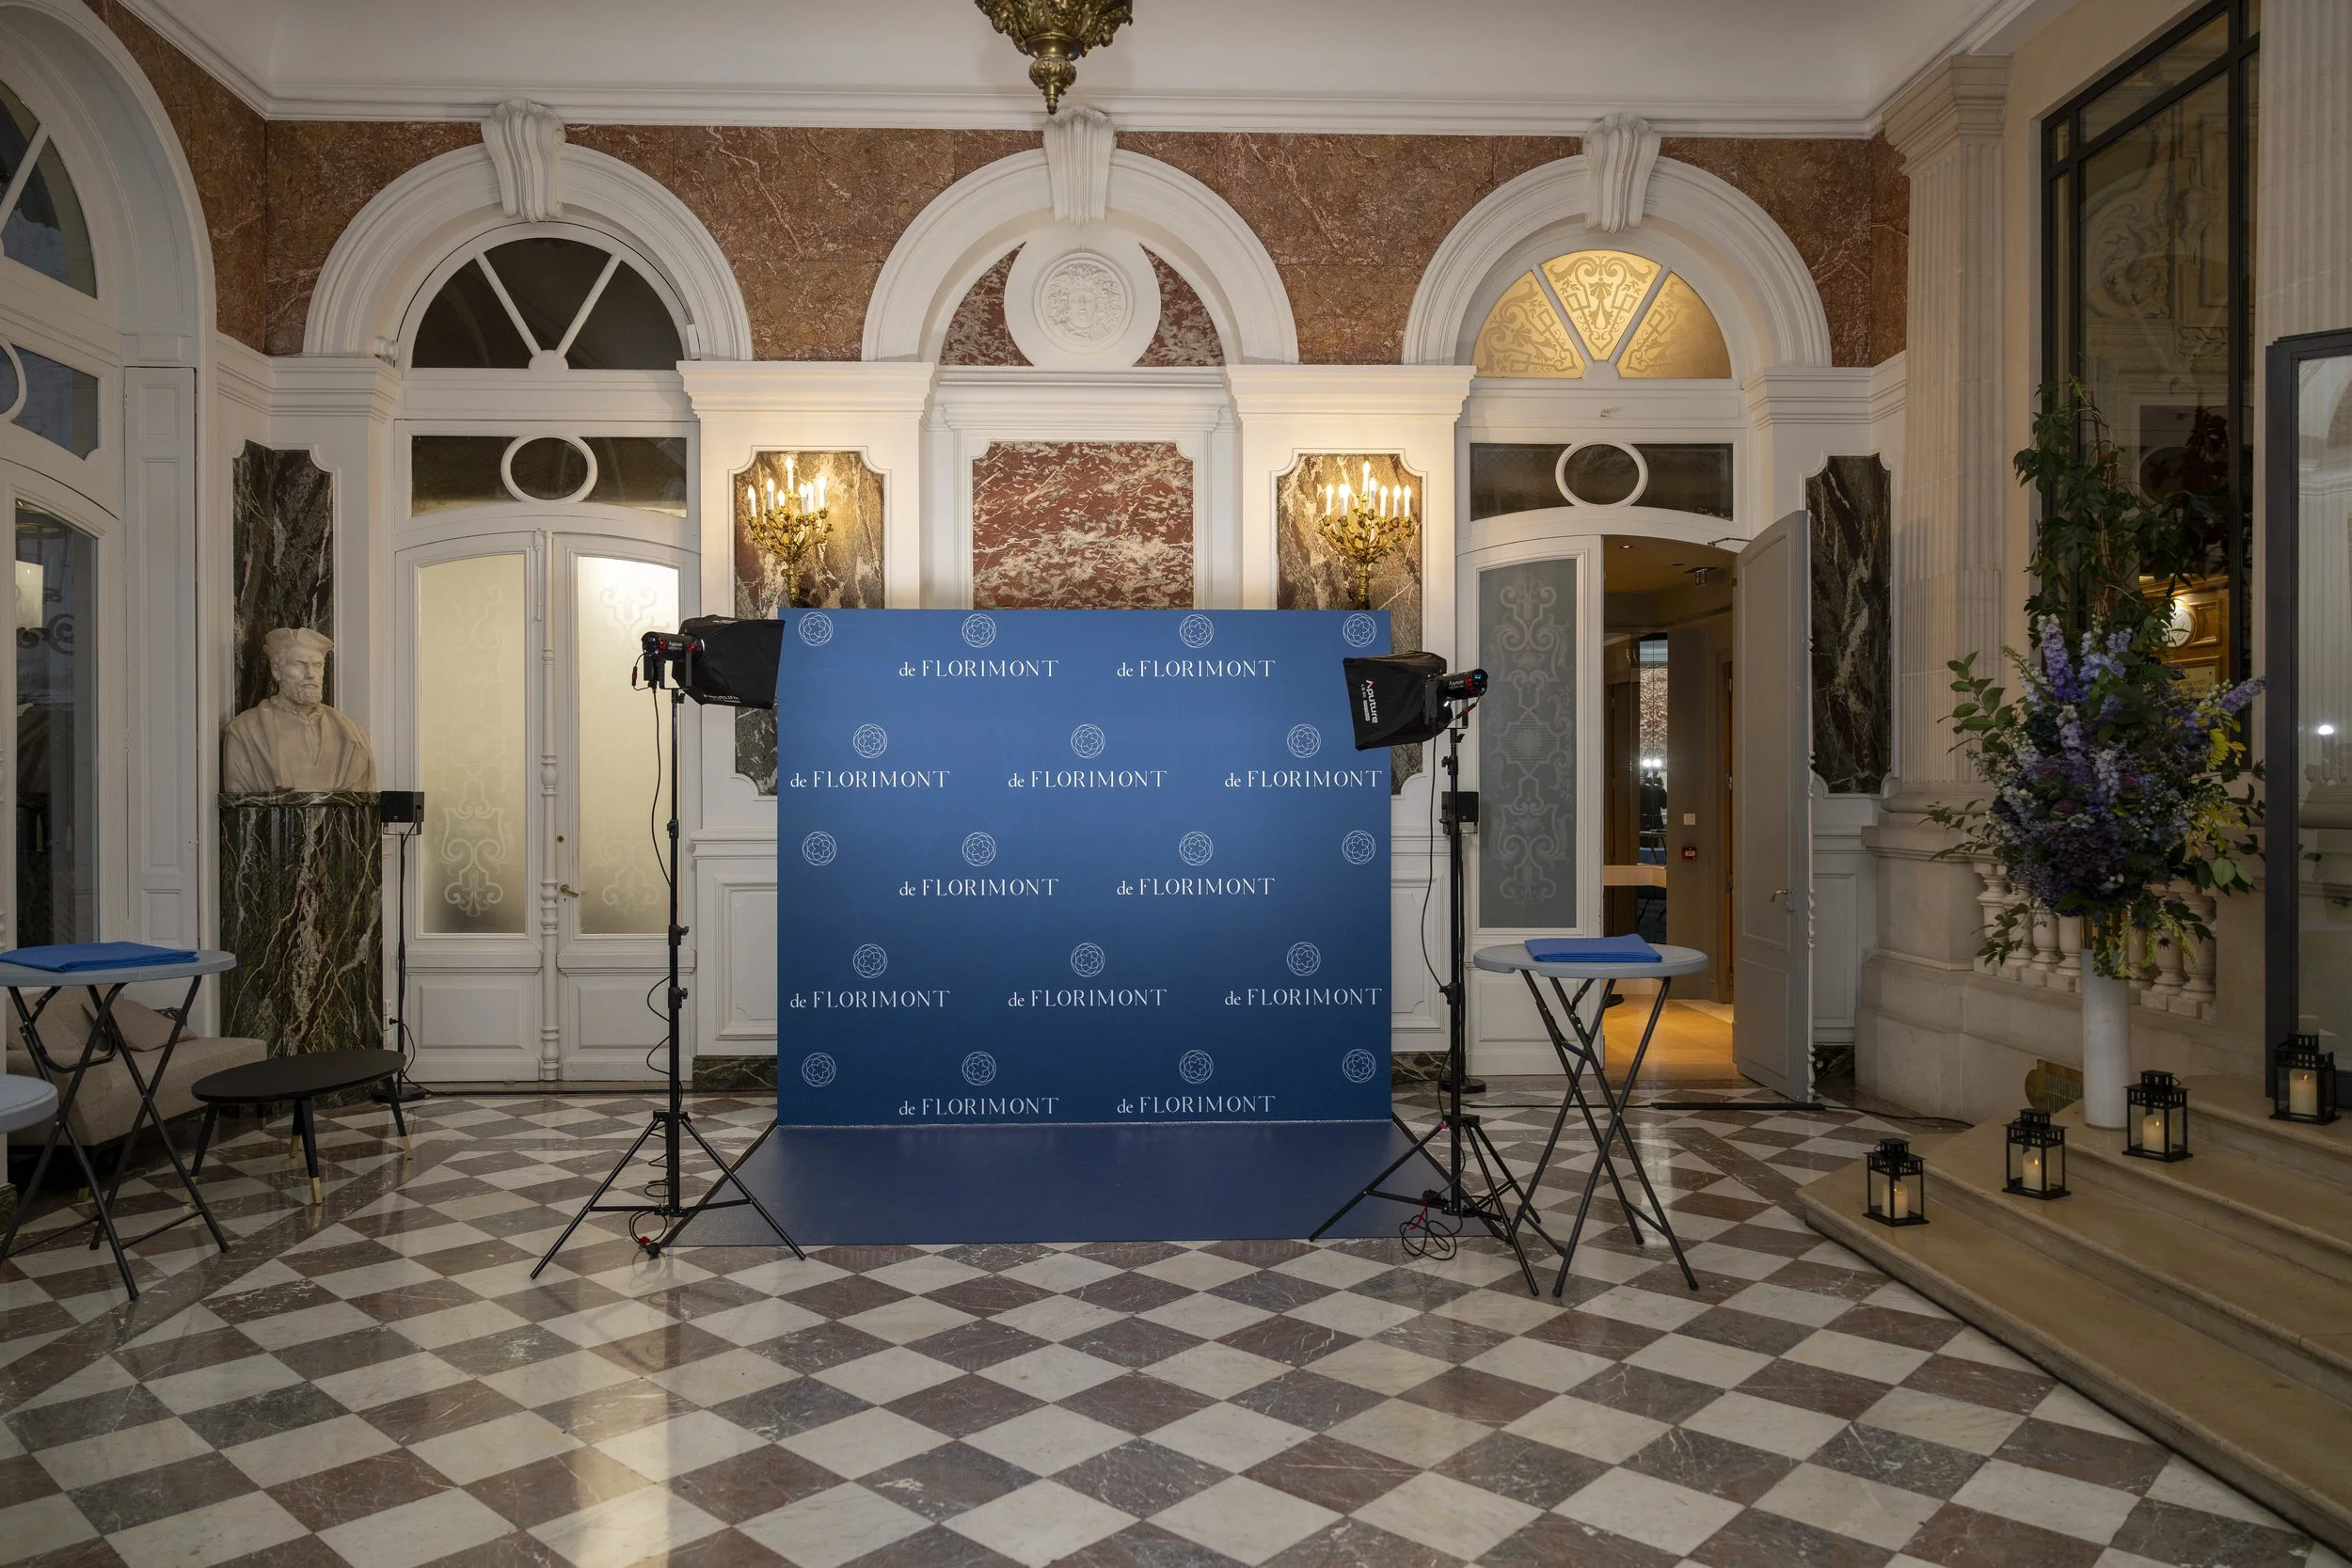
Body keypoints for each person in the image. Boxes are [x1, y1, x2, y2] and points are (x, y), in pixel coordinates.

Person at [220, 627, 375, 794]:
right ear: (277, 671)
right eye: (299, 664)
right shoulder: (244, 732)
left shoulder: (352, 734)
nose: (311, 675)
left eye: (317, 665)